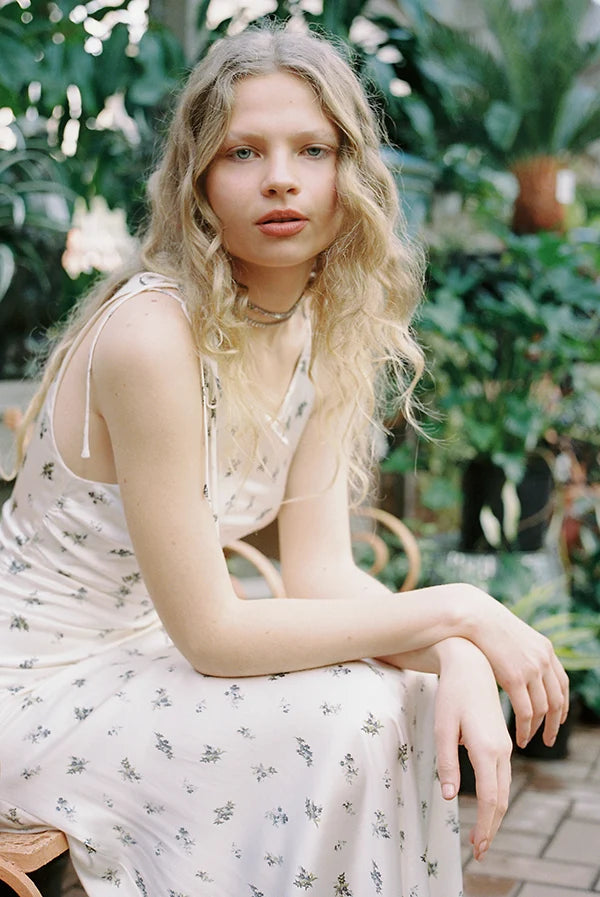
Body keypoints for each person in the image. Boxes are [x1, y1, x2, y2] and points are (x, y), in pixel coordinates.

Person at [0, 26, 568, 897]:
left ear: (354, 174)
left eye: (313, 149)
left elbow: (321, 574)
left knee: (399, 699)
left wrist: (453, 648)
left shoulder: (322, 327)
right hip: (39, 687)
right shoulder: (154, 335)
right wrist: (456, 607)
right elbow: (215, 635)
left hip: (146, 657)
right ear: (197, 180)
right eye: (242, 151)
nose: (280, 177)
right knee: (351, 713)